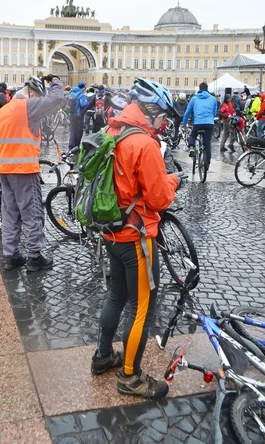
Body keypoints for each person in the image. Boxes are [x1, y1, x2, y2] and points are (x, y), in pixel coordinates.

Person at [91, 78, 180, 399]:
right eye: (164, 115)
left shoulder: (111, 132)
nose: (166, 121)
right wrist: (172, 180)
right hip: (136, 238)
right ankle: (130, 376)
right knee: (142, 307)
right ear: (152, 111)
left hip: (110, 232)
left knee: (115, 295)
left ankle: (103, 356)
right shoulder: (144, 144)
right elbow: (158, 199)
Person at [0, 75, 64, 271]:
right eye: (37, 96)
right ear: (32, 93)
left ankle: (12, 255)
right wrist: (55, 81)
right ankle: (34, 256)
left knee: (10, 214)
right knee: (32, 213)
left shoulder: (2, 112)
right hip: (24, 169)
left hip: (5, 170)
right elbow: (56, 99)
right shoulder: (25, 107)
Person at [182, 82, 218, 164]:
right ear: (207, 88)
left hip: (198, 123)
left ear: (199, 88)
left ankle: (191, 147)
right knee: (207, 144)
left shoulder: (194, 99)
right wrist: (210, 119)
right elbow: (214, 112)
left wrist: (184, 124)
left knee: (193, 135)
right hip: (209, 123)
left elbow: (187, 112)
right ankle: (207, 164)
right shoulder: (213, 99)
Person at [67, 81, 88, 149]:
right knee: (79, 130)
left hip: (71, 114)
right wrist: (88, 103)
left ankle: (71, 143)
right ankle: (77, 145)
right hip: (78, 115)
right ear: (83, 87)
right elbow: (83, 104)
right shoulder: (81, 94)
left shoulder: (72, 92)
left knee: (72, 130)